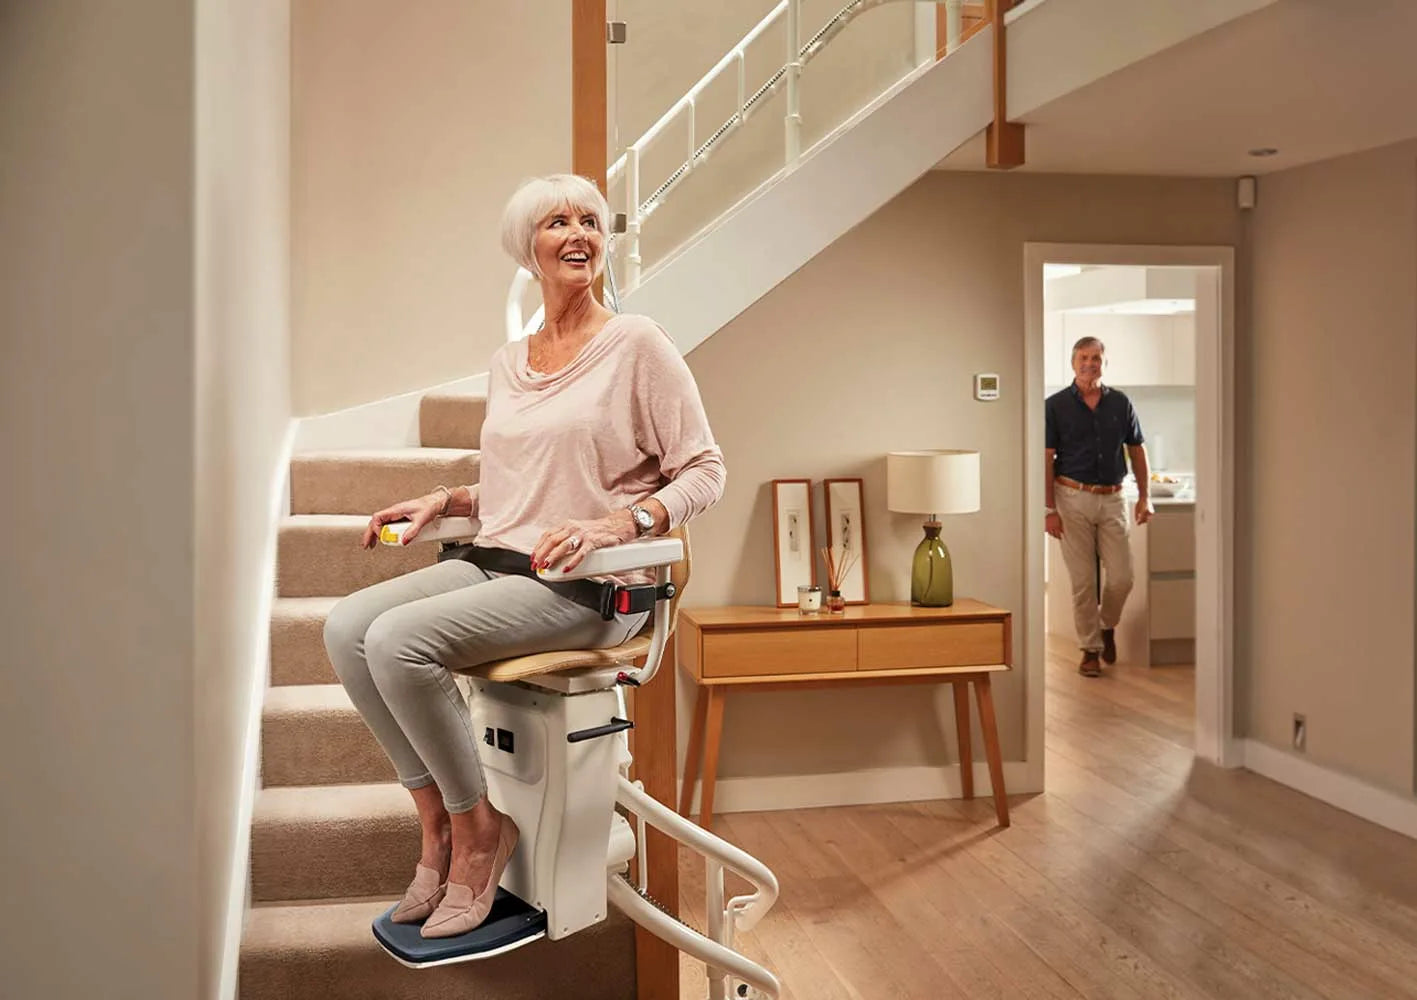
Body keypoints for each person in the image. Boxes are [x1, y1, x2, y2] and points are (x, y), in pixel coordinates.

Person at [323, 174, 726, 939]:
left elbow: (705, 469)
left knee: (398, 641)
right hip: (498, 561)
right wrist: (446, 501)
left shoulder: (636, 344)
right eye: (556, 223)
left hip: (589, 589)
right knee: (346, 629)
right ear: (527, 248)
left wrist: (615, 525)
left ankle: (481, 833)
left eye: (590, 222)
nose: (578, 234)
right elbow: (525, 480)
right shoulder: (509, 361)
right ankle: (438, 825)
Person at [1044, 336, 1152, 677]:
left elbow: (1137, 450)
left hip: (1114, 498)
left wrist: (1146, 496)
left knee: (1122, 577)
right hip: (1071, 497)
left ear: (1105, 363)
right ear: (1073, 363)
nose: (1090, 363)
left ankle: (1107, 625)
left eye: (1096, 358)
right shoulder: (1055, 406)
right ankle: (1089, 650)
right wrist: (1049, 510)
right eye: (1084, 357)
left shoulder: (1121, 403)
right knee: (1083, 581)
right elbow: (1045, 460)